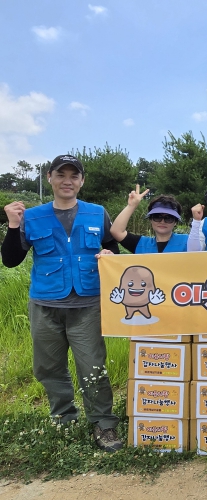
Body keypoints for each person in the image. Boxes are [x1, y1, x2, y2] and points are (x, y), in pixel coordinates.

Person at [0, 154, 123, 452]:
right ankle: (64, 418)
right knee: (48, 367)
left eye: (74, 175)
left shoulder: (97, 213)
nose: (67, 181)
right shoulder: (31, 217)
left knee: (93, 366)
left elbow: (111, 247)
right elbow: (11, 260)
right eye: (61, 175)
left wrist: (110, 255)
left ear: (82, 181)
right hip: (45, 306)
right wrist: (13, 225)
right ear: (49, 178)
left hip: (87, 305)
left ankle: (103, 423)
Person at [110, 186, 188, 253]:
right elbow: (116, 231)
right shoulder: (141, 244)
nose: (162, 221)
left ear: (175, 222)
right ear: (150, 219)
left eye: (168, 218)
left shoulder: (188, 241)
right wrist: (132, 205)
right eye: (157, 217)